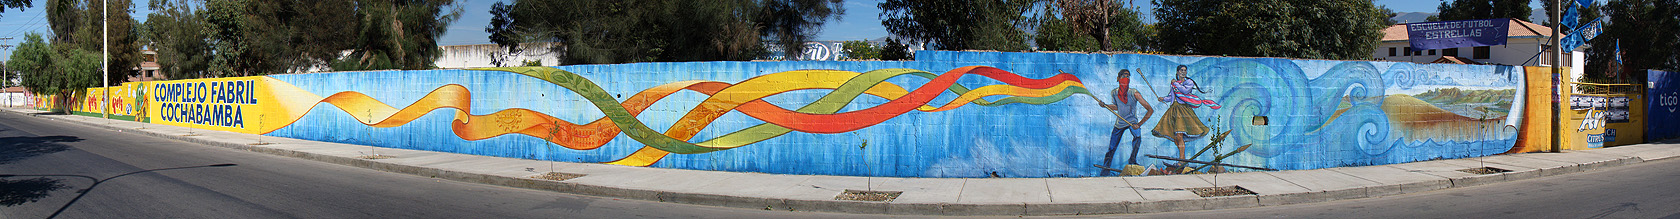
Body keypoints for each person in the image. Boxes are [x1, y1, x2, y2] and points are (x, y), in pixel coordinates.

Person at [1152, 65, 1220, 172]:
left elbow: (1184, 91)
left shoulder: (1188, 82)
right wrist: (1163, 99)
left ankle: (1182, 159)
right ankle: (1182, 158)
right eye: (1181, 70)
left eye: (1185, 70)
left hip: (1183, 111)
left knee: (1179, 135)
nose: (1183, 72)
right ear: (1177, 72)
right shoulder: (1175, 84)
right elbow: (1172, 96)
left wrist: (1175, 83)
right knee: (1176, 137)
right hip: (1173, 110)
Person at [1098, 69, 1153, 176]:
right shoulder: (1114, 93)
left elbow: (1150, 109)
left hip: (1132, 122)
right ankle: (1105, 170)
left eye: (1128, 76)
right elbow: (1117, 107)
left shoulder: (1134, 93)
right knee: (1111, 148)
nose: (1126, 78)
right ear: (1118, 78)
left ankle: (1132, 160)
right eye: (1123, 76)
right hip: (1120, 122)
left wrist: (1139, 124)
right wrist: (1105, 106)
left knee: (1137, 137)